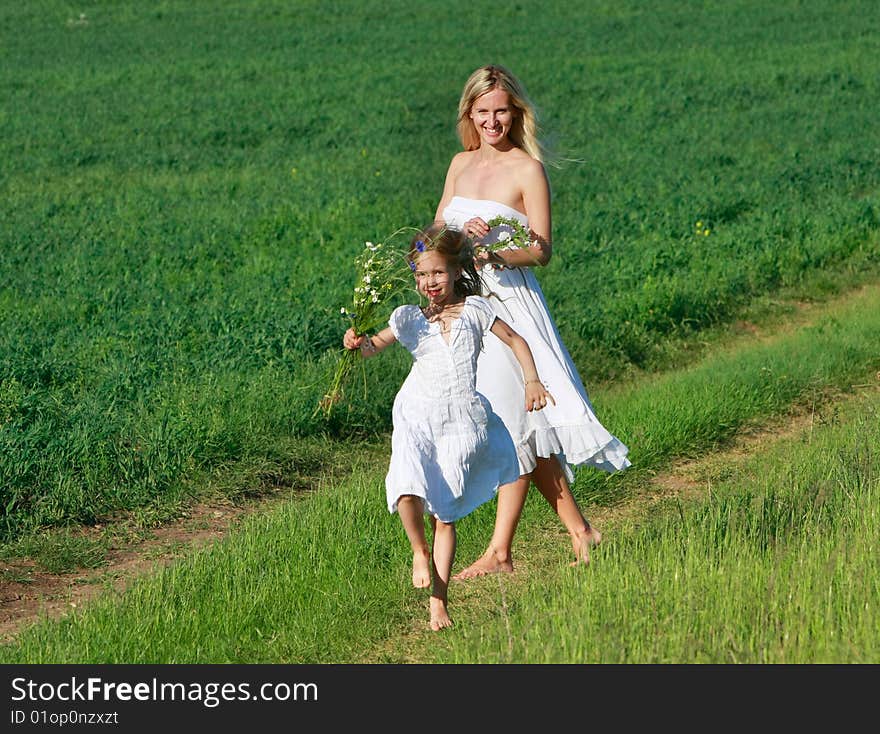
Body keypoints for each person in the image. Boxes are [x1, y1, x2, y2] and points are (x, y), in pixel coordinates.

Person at [434, 64, 631, 579]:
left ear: (514, 112)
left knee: (512, 419)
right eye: (483, 112)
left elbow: (541, 250)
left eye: (501, 110)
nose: (493, 121)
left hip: (509, 305)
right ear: (469, 114)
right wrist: (444, 249)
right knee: (521, 426)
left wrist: (494, 243)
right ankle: (581, 530)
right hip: (464, 308)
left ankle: (501, 551)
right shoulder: (458, 164)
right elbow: (432, 234)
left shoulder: (527, 169)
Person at [342, 224, 555, 630]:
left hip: (459, 421)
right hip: (417, 417)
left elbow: (517, 341)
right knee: (405, 487)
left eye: (437, 273)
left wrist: (531, 380)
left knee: (445, 514)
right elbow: (372, 347)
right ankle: (418, 550)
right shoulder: (410, 319)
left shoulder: (476, 310)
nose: (429, 283)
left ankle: (439, 601)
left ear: (457, 271)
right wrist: (357, 342)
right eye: (421, 275)